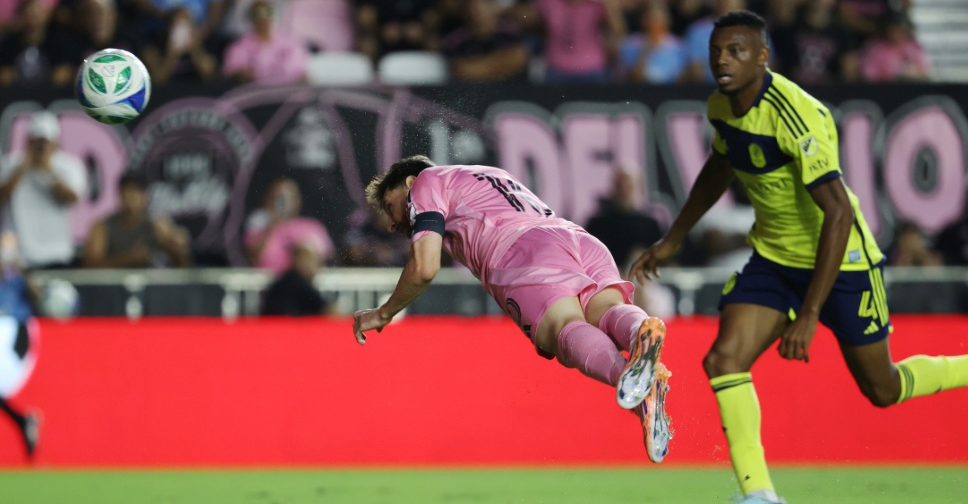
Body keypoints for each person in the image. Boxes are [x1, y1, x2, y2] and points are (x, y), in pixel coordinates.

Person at [628, 10, 968, 504]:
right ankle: (760, 497)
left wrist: (809, 314)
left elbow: (836, 214)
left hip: (844, 261)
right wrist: (674, 237)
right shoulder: (720, 106)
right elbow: (721, 164)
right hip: (774, 256)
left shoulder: (798, 115)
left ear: (763, 57)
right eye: (717, 50)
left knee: (883, 388)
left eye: (737, 50)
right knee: (724, 359)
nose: (723, 59)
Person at [352, 155, 672, 464]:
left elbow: (424, 267)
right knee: (605, 310)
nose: (392, 223)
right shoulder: (489, 174)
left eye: (390, 206)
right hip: (577, 239)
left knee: (562, 329)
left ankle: (635, 385)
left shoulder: (426, 182)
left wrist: (383, 313)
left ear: (409, 182)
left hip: (523, 251)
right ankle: (639, 334)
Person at [0, 111, 86, 270]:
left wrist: (48, 171)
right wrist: (22, 168)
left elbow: (72, 199)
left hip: (57, 253)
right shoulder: (12, 164)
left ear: (55, 142)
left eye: (45, 142)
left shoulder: (69, 166)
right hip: (20, 256)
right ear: (28, 141)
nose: (40, 147)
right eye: (36, 141)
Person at [82, 172, 192, 269]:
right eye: (126, 194)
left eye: (134, 194)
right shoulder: (103, 226)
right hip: (111, 289)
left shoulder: (156, 226)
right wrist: (129, 258)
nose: (130, 200)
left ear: (144, 196)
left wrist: (176, 247)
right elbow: (90, 267)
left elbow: (183, 265)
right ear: (119, 196)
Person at [0, 232, 41, 459]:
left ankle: (22, 421)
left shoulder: (18, 278)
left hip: (12, 335)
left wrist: (22, 270)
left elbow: (39, 296)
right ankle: (22, 421)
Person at [245, 177, 334, 273]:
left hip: (302, 284)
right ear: (267, 199)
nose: (281, 202)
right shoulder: (259, 224)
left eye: (287, 197)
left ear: (297, 200)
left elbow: (327, 258)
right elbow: (252, 257)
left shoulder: (312, 226)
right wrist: (274, 224)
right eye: (276, 197)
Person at [441, 0, 530, 82]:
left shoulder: (512, 32)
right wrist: (501, 63)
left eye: (482, 5)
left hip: (514, 90)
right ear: (465, 11)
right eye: (473, 7)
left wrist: (478, 67)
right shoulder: (456, 39)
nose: (477, 11)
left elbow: (519, 58)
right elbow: (460, 70)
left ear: (493, 8)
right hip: (472, 92)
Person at [222, 0, 309, 84]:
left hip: (287, 92)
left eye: (269, 12)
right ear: (251, 17)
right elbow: (232, 72)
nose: (264, 18)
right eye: (258, 14)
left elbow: (300, 71)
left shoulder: (290, 41)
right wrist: (240, 74)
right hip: (257, 94)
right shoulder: (239, 46)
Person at [262, 241, 339, 316]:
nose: (317, 268)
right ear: (299, 260)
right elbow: (329, 310)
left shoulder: (284, 282)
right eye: (314, 261)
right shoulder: (296, 283)